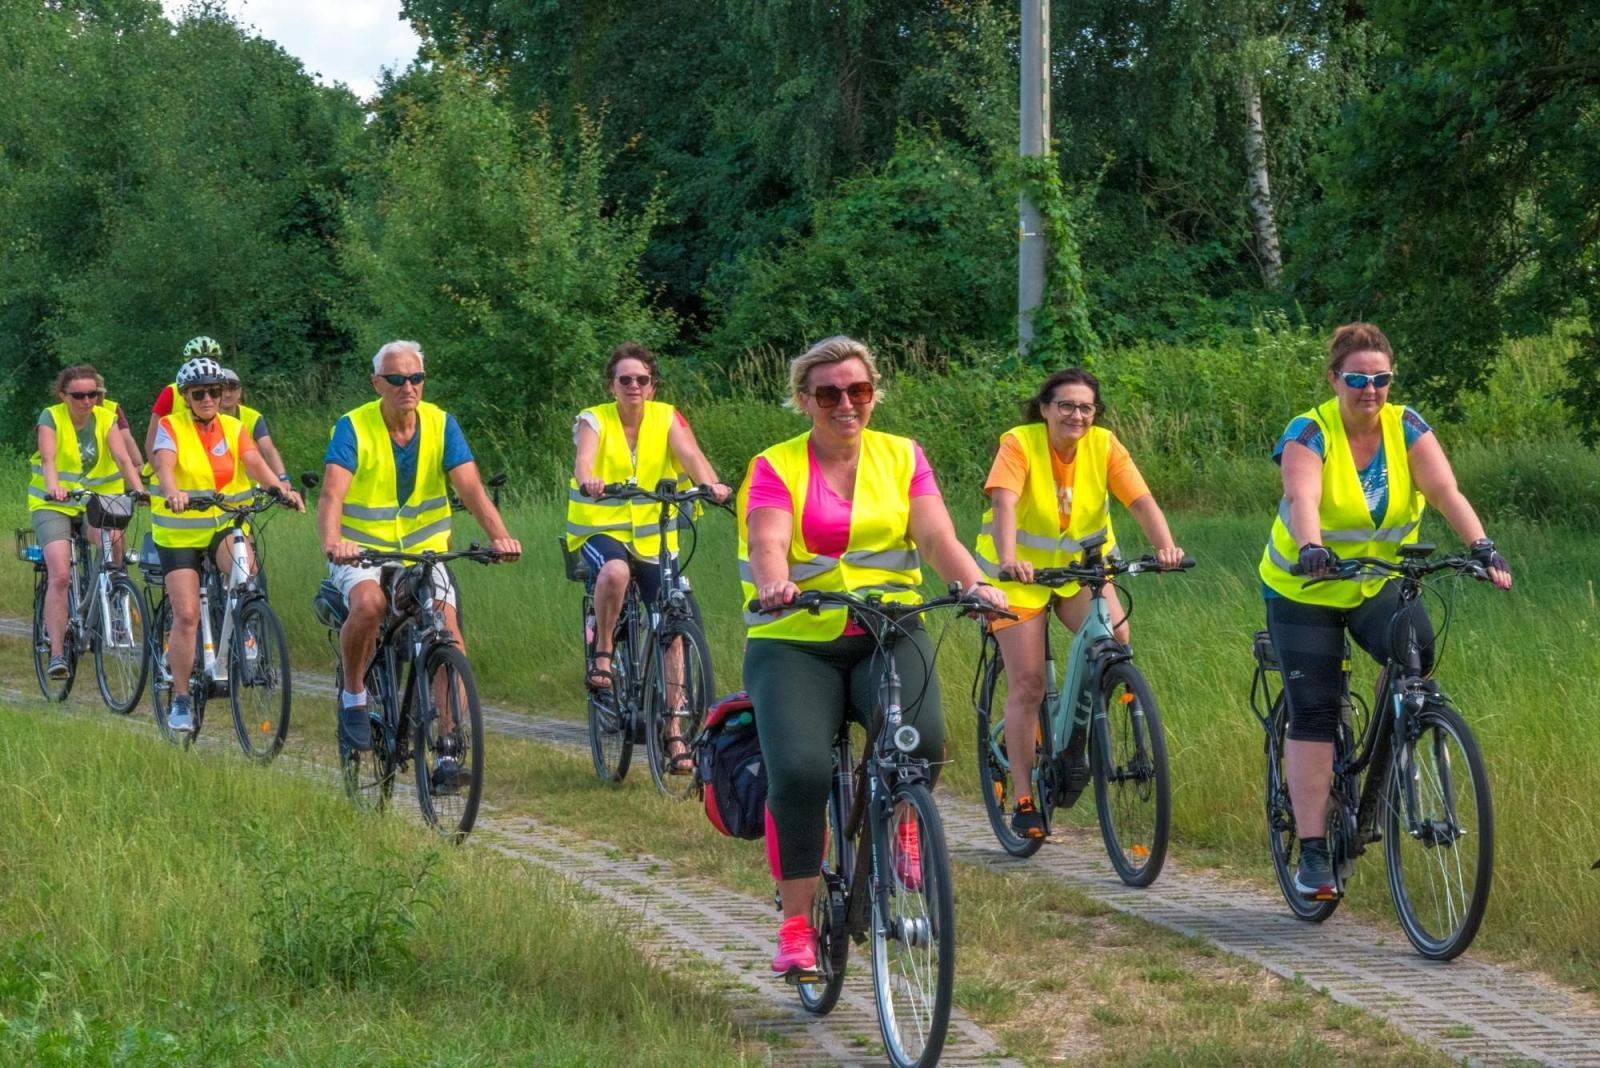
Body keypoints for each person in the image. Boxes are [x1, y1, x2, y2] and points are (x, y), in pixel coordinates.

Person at [739, 335, 1008, 977]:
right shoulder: (774, 465)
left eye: (857, 391)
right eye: (828, 393)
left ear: (873, 394)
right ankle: (798, 926)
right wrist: (775, 583)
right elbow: (766, 540)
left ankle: (901, 826)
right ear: (804, 400)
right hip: (796, 638)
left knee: (923, 741)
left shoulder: (902, 456)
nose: (845, 404)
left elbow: (937, 535)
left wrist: (973, 585)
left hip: (889, 627)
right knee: (801, 772)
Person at [1260, 322, 1511, 900]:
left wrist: (1482, 547)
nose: (1369, 389)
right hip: (1307, 588)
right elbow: (1303, 497)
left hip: (1378, 584)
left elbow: (1446, 491)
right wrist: (1310, 547)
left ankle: (1390, 738)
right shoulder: (1311, 430)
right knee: (1316, 713)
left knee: (1414, 663)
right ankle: (1316, 851)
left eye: (1380, 379)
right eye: (1357, 378)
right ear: (1334, 379)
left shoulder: (1407, 427)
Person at [974, 368, 1184, 840]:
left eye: (1086, 407)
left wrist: (1166, 546)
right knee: (1027, 683)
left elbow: (1141, 500)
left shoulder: (1105, 446)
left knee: (1115, 641)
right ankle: (1026, 798)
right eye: (1066, 405)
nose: (1076, 415)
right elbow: (1005, 503)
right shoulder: (1020, 443)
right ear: (1045, 408)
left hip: (1078, 569)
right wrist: (1008, 560)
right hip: (1020, 576)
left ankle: (1080, 737)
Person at [318, 340, 521, 784]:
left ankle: (448, 750)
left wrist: (499, 536)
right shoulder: (353, 426)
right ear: (377, 383)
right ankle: (354, 695)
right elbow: (332, 493)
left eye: (416, 378)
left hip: (424, 551)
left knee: (447, 634)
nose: (407, 387)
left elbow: (471, 488)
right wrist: (334, 542)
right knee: (369, 606)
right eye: (396, 379)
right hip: (363, 550)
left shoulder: (442, 424)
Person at [566, 342, 730, 763]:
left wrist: (711, 484)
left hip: (656, 539)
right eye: (625, 380)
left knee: (674, 629)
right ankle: (603, 651)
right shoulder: (594, 419)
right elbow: (585, 461)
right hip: (602, 530)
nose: (634, 386)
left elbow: (691, 456)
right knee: (616, 574)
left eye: (642, 379)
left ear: (652, 386)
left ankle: (674, 731)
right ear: (612, 385)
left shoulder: (666, 416)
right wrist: (591, 481)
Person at [151, 355, 304, 736]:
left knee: (246, 575)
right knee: (186, 614)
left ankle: (246, 633)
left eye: (214, 392)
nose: (208, 399)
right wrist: (172, 492)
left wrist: (279, 489)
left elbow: (255, 462)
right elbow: (164, 466)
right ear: (186, 396)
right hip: (180, 532)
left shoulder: (235, 428)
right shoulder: (171, 426)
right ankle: (182, 698)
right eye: (199, 393)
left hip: (223, 523)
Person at [27, 365, 147, 677]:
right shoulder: (51, 417)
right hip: (54, 503)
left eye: (92, 394)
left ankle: (115, 599)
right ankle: (56, 654)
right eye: (78, 395)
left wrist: (139, 489)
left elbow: (123, 458)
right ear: (62, 395)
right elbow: (49, 458)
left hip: (96, 500)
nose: (87, 401)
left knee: (114, 542)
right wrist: (54, 487)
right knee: (61, 575)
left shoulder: (106, 418)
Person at [219, 367, 291, 485]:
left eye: (232, 389)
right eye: (222, 390)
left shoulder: (253, 417)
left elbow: (268, 448)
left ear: (239, 392)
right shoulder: (206, 418)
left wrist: (282, 478)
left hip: (249, 489)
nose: (227, 394)